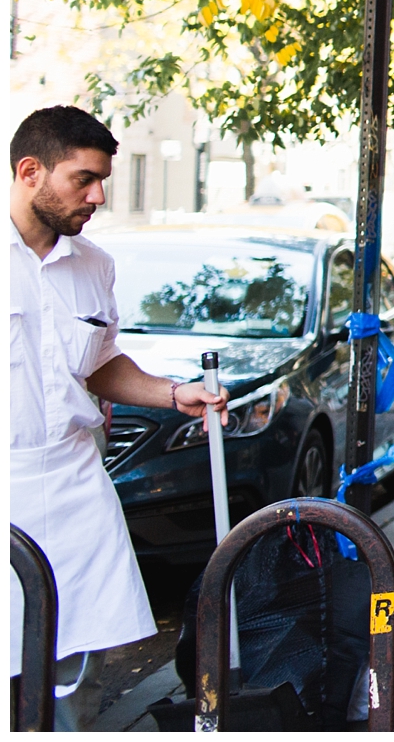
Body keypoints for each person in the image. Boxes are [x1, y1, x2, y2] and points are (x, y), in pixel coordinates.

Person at [9, 106, 226, 729]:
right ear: (31, 171)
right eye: (84, 179)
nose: (99, 195)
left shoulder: (94, 265)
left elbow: (97, 362)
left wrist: (172, 393)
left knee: (74, 683)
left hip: (78, 490)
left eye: (104, 179)